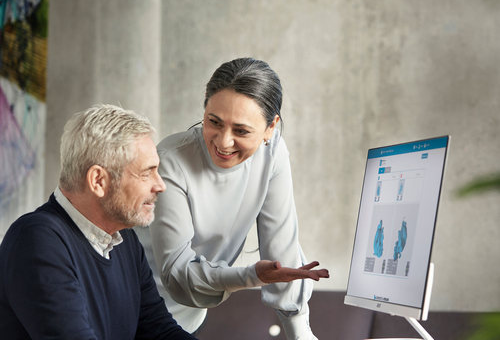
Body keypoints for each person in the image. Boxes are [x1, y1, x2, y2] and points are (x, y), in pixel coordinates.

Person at [150, 58, 330, 339]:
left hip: (189, 320)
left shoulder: (273, 155)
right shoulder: (171, 160)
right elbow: (176, 274)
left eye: (241, 131)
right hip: (135, 311)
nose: (223, 142)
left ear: (271, 128)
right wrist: (253, 275)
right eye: (214, 122)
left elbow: (281, 246)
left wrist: (299, 330)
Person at [0, 104, 197, 340]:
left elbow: (158, 330)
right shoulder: (36, 240)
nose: (160, 185)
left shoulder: (124, 240)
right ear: (98, 181)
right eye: (147, 172)